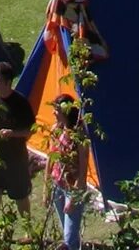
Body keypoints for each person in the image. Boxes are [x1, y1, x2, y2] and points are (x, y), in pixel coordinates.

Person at [0, 61, 35, 217]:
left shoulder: (20, 103)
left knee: (20, 195)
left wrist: (12, 133)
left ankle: (28, 231)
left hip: (15, 158)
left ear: (8, 82)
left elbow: (30, 130)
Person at [44, 94, 88, 250]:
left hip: (73, 188)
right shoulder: (56, 130)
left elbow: (83, 171)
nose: (53, 113)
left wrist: (73, 199)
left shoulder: (79, 135)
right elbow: (50, 159)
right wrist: (46, 187)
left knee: (69, 239)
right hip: (58, 186)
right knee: (67, 233)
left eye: (56, 110)